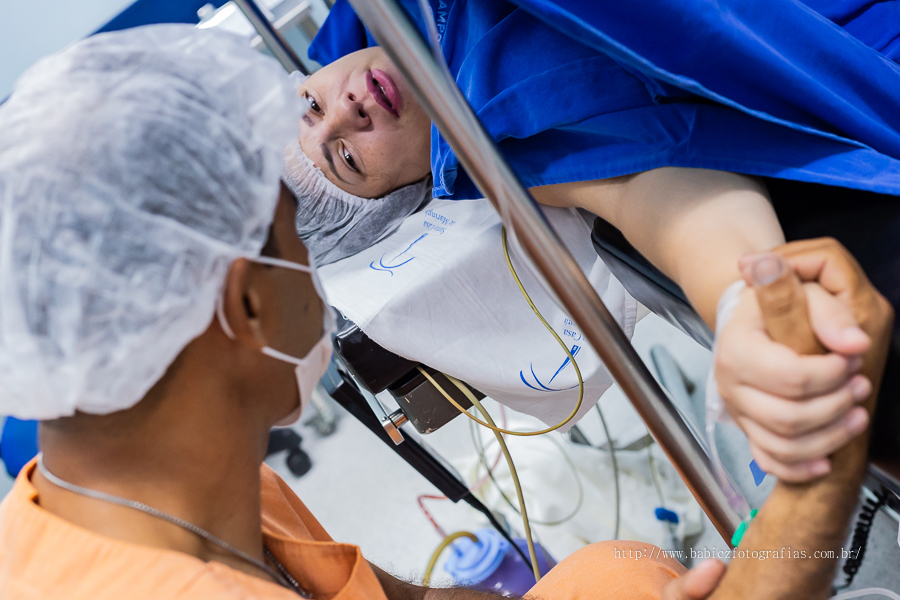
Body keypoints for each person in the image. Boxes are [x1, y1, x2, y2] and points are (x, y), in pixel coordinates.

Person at [0, 23, 709, 600]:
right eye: (299, 257)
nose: (346, 107)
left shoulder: (184, 489)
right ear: (248, 305)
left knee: (620, 572)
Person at [300, 0, 900, 481]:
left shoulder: (367, 21)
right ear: (410, 188)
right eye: (347, 158)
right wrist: (744, 304)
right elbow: (657, 191)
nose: (344, 112)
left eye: (310, 106)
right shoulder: (506, 129)